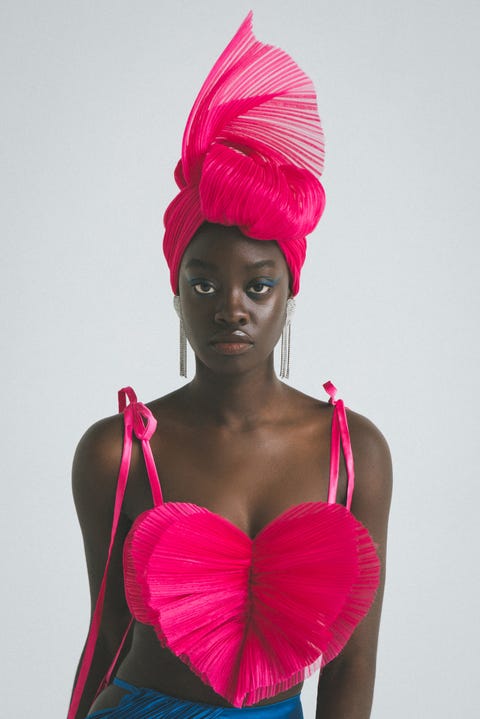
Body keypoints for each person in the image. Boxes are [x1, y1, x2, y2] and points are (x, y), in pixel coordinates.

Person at [68, 12, 392, 719]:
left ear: (290, 290)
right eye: (204, 283)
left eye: (258, 283)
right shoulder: (117, 450)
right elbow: (105, 638)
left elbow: (353, 665)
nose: (231, 308)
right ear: (176, 289)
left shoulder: (353, 452)